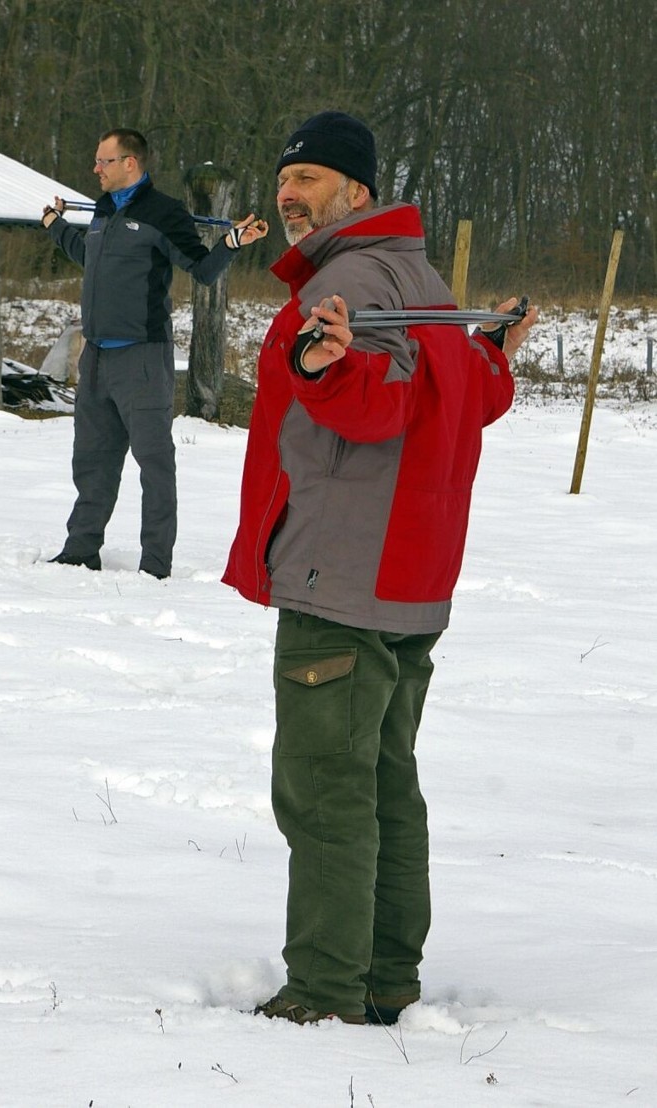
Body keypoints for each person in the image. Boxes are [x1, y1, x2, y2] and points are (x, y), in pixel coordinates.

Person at [222, 111, 538, 1025]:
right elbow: (463, 398)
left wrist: (327, 371)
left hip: (342, 579)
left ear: (357, 193)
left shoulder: (352, 279)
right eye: (286, 180)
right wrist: (492, 359)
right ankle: (386, 976)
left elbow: (381, 406)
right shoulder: (420, 277)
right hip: (407, 583)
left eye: (312, 180)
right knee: (384, 784)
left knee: (325, 792)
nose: (291, 194)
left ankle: (324, 994)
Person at [42, 128, 267, 579]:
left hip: (142, 359)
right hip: (97, 358)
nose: (95, 169)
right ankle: (81, 550)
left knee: (154, 463)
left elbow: (201, 269)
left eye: (104, 161)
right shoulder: (104, 212)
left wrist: (232, 243)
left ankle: (155, 564)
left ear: (131, 163)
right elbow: (93, 262)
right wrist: (56, 226)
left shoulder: (164, 213)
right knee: (91, 459)